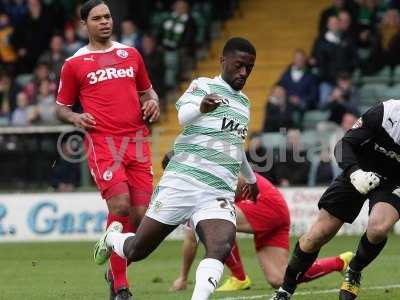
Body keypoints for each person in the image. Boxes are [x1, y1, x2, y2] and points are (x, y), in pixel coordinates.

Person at [94, 37, 259, 300]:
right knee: (138, 249)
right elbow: (182, 117)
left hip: (218, 191)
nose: (243, 73)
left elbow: (236, 144)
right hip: (182, 182)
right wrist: (202, 108)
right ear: (223, 61)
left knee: (220, 246)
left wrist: (251, 178)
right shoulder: (202, 85)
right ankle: (112, 238)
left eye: (249, 68)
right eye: (239, 65)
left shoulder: (245, 104)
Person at [55, 1, 160, 299]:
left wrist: (152, 101)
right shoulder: (75, 63)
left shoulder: (131, 54)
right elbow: (61, 108)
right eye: (97, 18)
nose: (105, 22)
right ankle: (121, 286)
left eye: (108, 17)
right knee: (120, 207)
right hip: (104, 144)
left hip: (137, 142)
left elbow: (147, 91)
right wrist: (76, 117)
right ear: (83, 25)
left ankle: (112, 262)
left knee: (141, 222)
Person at [271, 99, 400, 300]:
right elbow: (344, 145)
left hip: (394, 182)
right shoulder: (387, 111)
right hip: (358, 170)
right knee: (315, 236)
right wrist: (355, 173)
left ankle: (354, 270)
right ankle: (285, 291)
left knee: (378, 228)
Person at [168, 164, 353, 292]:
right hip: (277, 211)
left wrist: (183, 277)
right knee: (279, 279)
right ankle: (341, 262)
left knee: (218, 220)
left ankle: (239, 278)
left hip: (266, 205)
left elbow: (241, 180)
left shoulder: (209, 173)